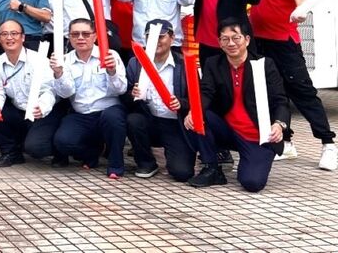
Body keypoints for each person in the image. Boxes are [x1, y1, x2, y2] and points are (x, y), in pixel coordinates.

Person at [247, 0, 336, 168]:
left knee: (303, 94)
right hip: (259, 43)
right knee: (272, 94)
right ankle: (285, 143)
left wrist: (301, 11)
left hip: (284, 44)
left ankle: (328, 144)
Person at [185, 20, 289, 192]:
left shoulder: (264, 64)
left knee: (252, 183)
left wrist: (279, 125)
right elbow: (206, 93)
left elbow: (280, 100)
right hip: (229, 130)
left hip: (258, 136)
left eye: (236, 38)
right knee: (199, 115)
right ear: (219, 42)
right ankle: (212, 168)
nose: (231, 43)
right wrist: (194, 111)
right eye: (225, 39)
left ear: (247, 40)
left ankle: (250, 160)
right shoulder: (213, 63)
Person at [53, 18, 128, 178]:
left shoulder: (110, 55)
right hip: (81, 114)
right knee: (63, 141)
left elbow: (121, 89)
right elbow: (65, 93)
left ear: (95, 36)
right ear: (69, 37)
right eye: (75, 34)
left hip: (108, 110)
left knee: (113, 119)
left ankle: (115, 164)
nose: (80, 38)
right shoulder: (65, 60)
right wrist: (59, 73)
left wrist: (112, 71)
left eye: (86, 34)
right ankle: (92, 152)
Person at [124, 20, 196, 182]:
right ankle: (146, 163)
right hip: (148, 119)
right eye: (150, 37)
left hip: (175, 123)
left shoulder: (184, 64)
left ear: (172, 38)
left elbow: (196, 98)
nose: (156, 41)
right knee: (133, 120)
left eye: (161, 37)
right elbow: (124, 97)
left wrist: (181, 103)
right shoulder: (136, 63)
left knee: (182, 173)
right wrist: (132, 94)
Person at [0, 21, 61, 167]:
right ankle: (11, 153)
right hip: (19, 110)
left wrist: (42, 107)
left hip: (41, 111)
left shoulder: (38, 59)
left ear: (23, 37)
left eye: (14, 33)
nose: (9, 38)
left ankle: (60, 151)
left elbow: (50, 90)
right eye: (4, 34)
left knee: (36, 148)